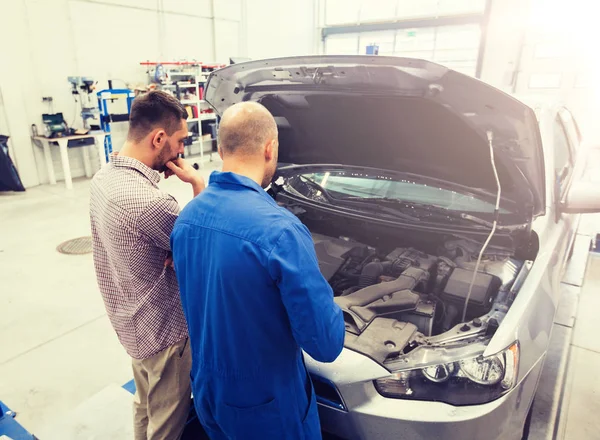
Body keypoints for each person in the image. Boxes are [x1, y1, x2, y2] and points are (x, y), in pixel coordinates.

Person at [171, 102, 345, 439]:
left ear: (221, 149)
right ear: (270, 148)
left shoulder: (187, 218)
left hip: (207, 392)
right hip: (266, 405)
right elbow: (325, 344)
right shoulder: (280, 232)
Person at [90, 90, 205, 440]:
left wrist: (172, 254)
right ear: (158, 138)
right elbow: (201, 251)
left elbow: (171, 249)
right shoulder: (152, 204)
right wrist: (199, 184)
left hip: (131, 323)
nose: (182, 151)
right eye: (180, 141)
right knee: (167, 425)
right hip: (165, 334)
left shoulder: (103, 180)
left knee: (144, 405)